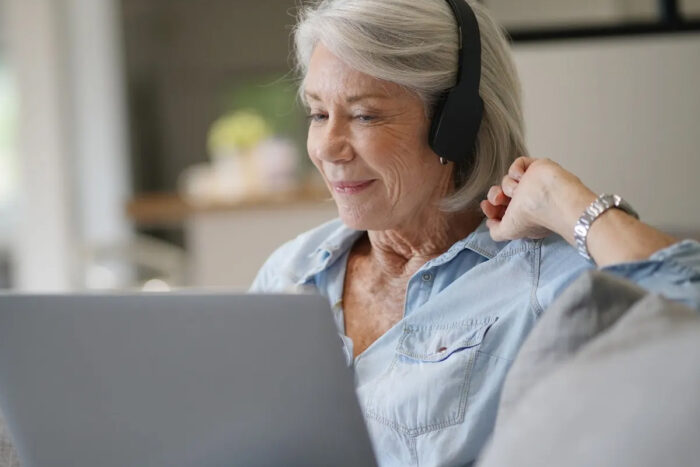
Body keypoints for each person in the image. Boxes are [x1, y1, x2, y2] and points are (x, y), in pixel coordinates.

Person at [250, 0, 700, 465]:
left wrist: (564, 200)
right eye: (318, 114)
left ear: (456, 125)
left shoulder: (548, 280)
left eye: (365, 115)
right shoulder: (292, 271)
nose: (327, 148)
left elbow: (689, 312)